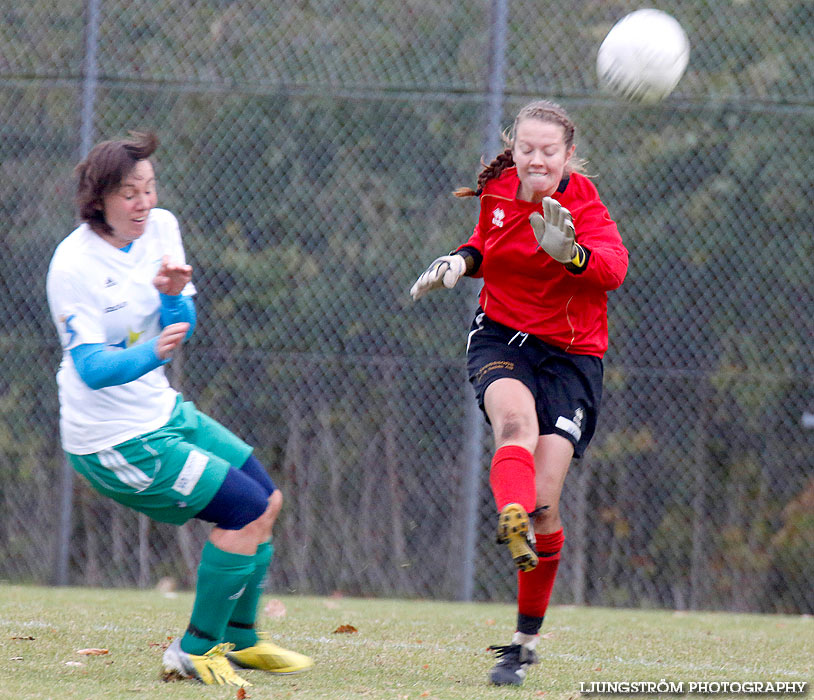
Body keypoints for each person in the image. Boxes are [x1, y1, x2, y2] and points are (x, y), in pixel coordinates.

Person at [46, 132, 313, 687]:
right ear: (98, 199)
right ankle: (191, 651)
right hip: (112, 440)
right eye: (128, 193)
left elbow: (181, 322)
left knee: (268, 498)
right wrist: (151, 351)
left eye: (148, 188)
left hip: (162, 412)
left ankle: (239, 640)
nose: (143, 202)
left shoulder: (162, 227)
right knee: (242, 511)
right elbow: (93, 369)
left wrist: (171, 297)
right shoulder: (72, 265)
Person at [410, 101, 628, 687]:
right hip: (504, 336)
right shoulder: (501, 191)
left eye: (548, 152)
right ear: (516, 147)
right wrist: (461, 260)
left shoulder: (584, 205)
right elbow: (488, 242)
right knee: (515, 429)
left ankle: (523, 641)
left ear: (567, 157)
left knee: (548, 499)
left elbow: (614, 268)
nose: (536, 160)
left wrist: (572, 255)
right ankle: (512, 512)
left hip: (573, 356)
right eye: (527, 148)